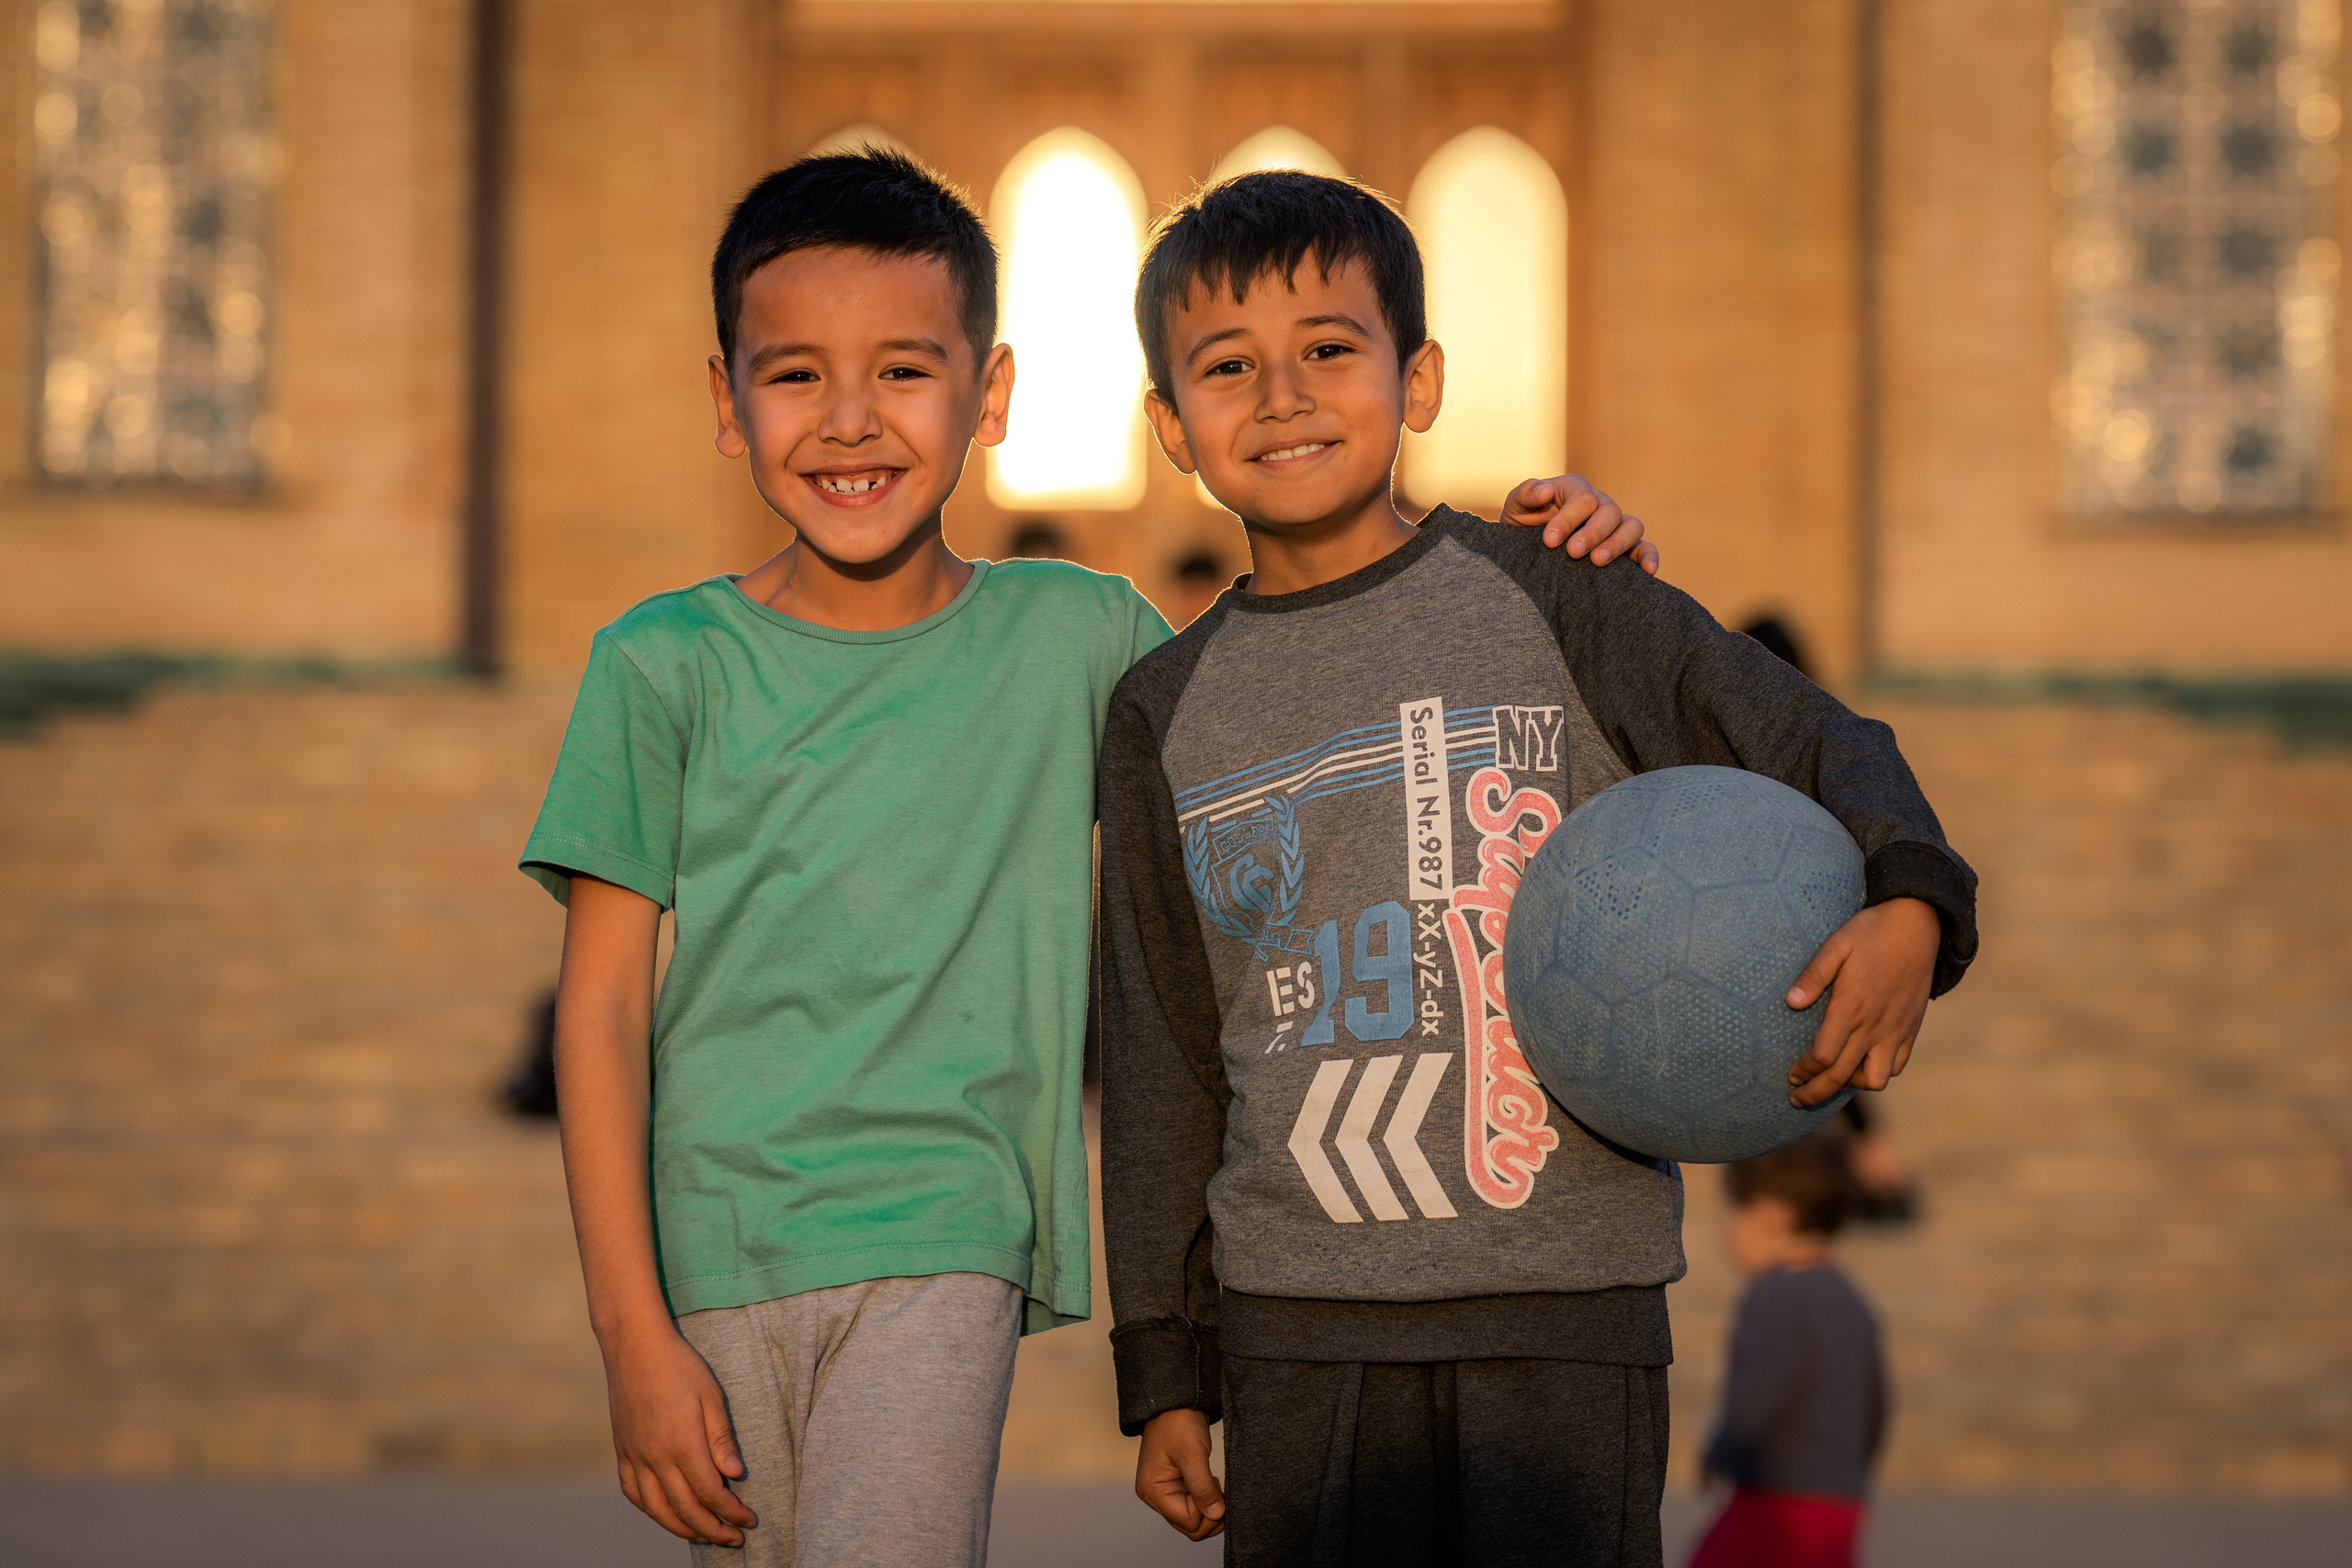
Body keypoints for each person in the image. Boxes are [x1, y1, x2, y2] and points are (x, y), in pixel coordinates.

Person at [517, 147, 1659, 1568]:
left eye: (906, 372)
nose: (851, 420)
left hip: (947, 1225)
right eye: (796, 374)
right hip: (710, 1244)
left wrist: (1537, 565)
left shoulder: (1080, 638)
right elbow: (604, 1002)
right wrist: (630, 1329)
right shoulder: (659, 662)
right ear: (725, 402)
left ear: (989, 394)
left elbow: (1315, 694)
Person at [1096, 170, 1978, 1567]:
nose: (1282, 395)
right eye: (1226, 367)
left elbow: (1809, 733)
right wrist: (1166, 1356)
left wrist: (1914, 895)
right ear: (1168, 424)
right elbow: (1163, 1047)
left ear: (1421, 376)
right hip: (1300, 1324)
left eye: (1330, 348)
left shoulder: (1561, 589)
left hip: (1565, 1303)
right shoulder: (1164, 708)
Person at [1690, 1132, 1886, 1568]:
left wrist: (1720, 1451)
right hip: (1843, 1505)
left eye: (1733, 1215)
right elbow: (1875, 1405)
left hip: (1775, 1501)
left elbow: (1760, 1387)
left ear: (1768, 1215)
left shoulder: (1771, 1296)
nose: (1728, 1234)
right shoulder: (1856, 1303)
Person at [1169, 547, 1231, 626]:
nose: (1195, 601)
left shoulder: (1235, 629)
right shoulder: (1172, 632)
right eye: (1188, 593)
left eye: (1200, 591)